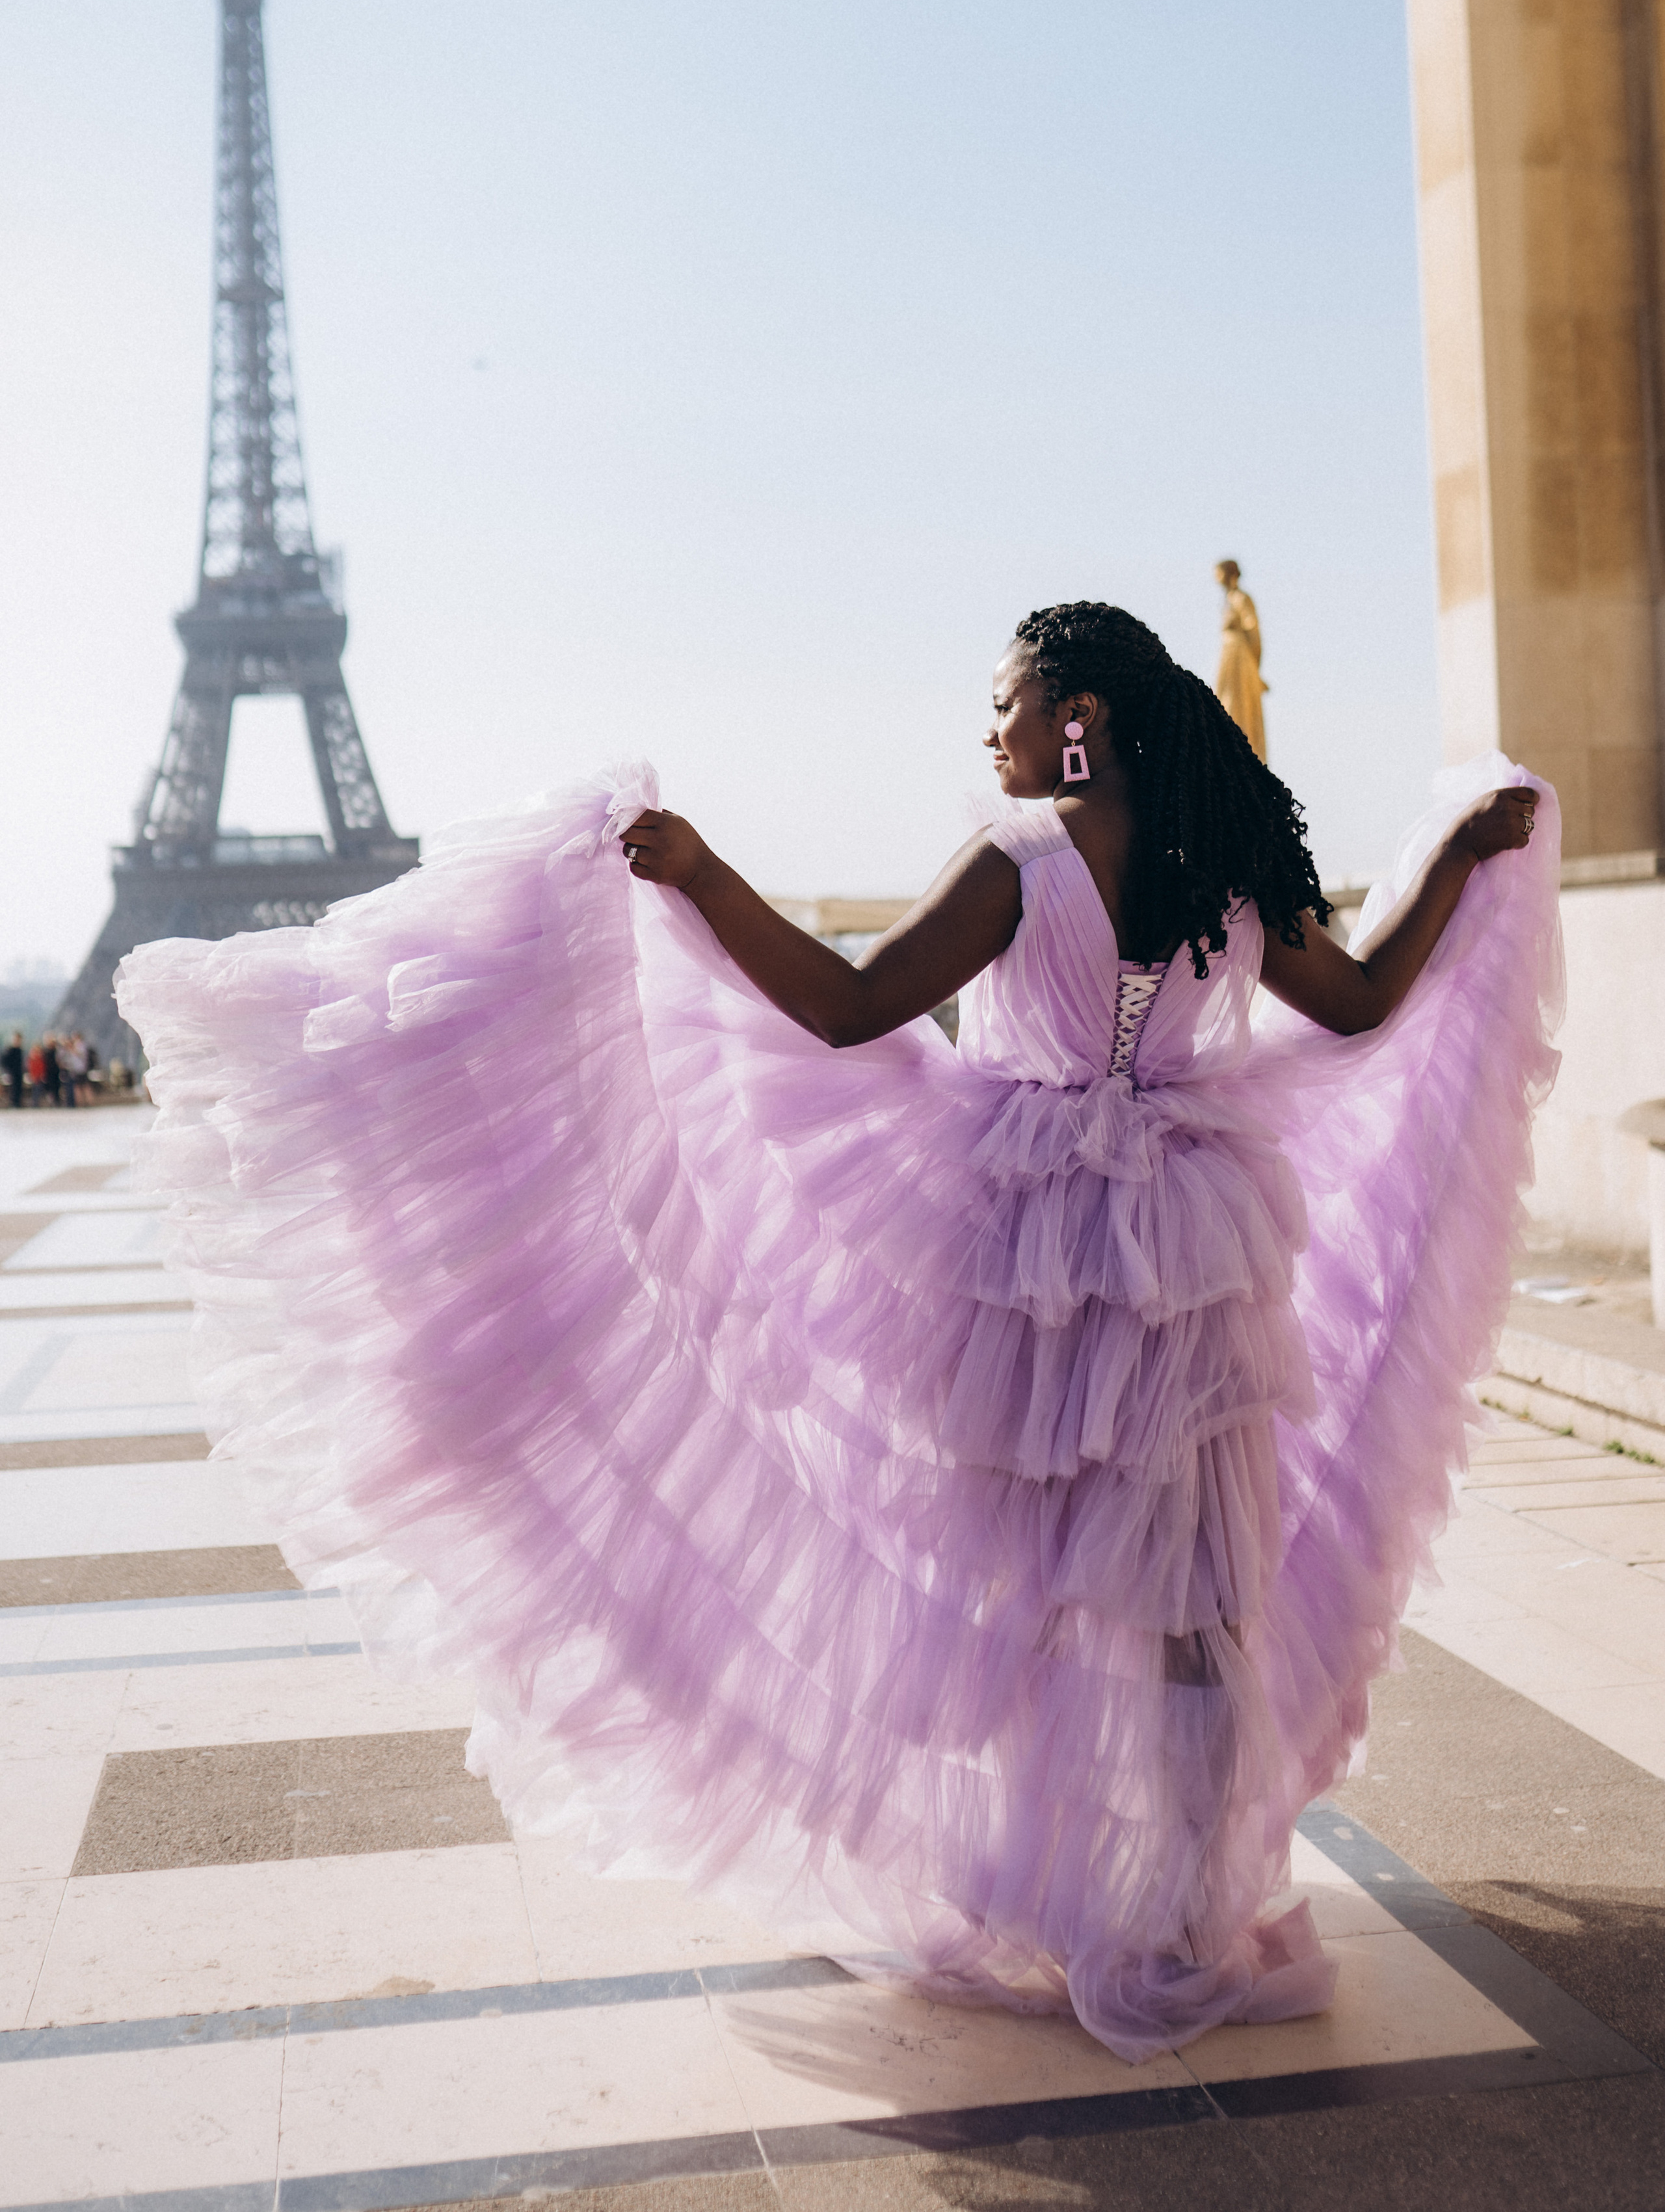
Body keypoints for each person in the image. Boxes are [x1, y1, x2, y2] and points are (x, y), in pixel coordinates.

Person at [116, 600, 1558, 2064]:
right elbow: (1369, 1001)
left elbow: (850, 1008)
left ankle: (1047, 1892)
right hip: (1192, 1256)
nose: (985, 729)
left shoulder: (1021, 865)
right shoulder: (1231, 871)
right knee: (1195, 1612)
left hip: (1028, 1273)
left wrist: (699, 875)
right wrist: (1454, 858)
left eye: (1004, 701)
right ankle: (1190, 1910)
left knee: (1020, 1592)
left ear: (1080, 720)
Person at [1214, 558, 1268, 759]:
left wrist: (1255, 671)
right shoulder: (1227, 601)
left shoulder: (1242, 599)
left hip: (1241, 659)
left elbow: (1254, 633)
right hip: (1228, 657)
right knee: (1226, 705)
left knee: (1242, 708)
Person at [1, 1033, 23, 1111]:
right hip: (12, 1073)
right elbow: (4, 1061)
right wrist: (8, 1071)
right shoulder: (10, 1050)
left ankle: (18, 1103)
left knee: (18, 1088)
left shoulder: (20, 1050)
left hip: (19, 1072)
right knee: (13, 1089)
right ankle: (13, 1104)